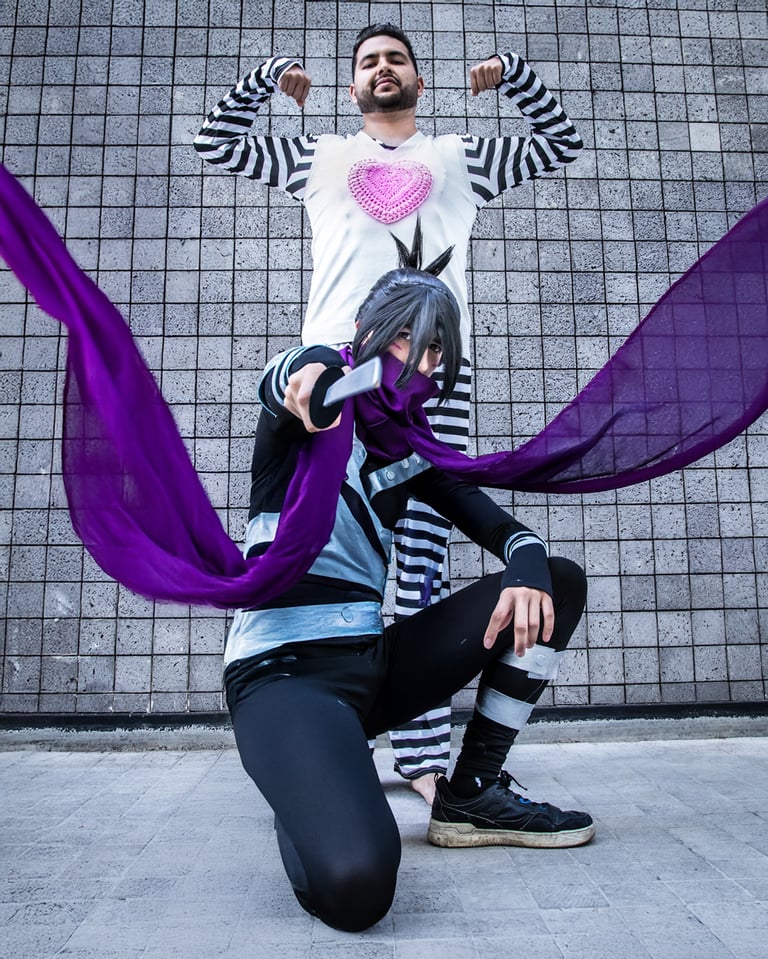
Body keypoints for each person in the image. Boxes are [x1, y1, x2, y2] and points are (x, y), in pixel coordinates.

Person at [194, 24, 584, 799]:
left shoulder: (459, 158)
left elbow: (559, 142)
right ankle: (312, 725)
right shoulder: (321, 157)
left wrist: (512, 74)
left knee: (423, 565)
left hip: (431, 382)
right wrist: (268, 77)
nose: (382, 68)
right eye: (368, 61)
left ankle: (424, 761)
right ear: (351, 87)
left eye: (395, 59)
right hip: (330, 381)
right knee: (321, 542)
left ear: (417, 81)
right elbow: (216, 142)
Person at [224, 228, 593, 932]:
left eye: (433, 352)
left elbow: (510, 533)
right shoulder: (306, 410)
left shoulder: (412, 453)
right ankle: (303, 788)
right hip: (284, 678)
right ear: (367, 331)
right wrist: (313, 377)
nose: (419, 363)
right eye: (405, 340)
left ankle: (472, 790)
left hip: (373, 667)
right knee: (358, 888)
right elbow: (293, 382)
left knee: (558, 582)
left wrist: (525, 563)